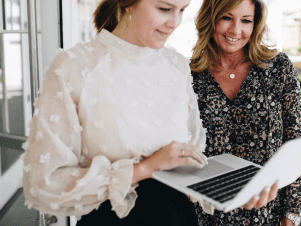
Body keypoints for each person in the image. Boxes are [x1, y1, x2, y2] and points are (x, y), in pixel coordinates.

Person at [22, 0, 210, 225]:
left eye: (182, 10)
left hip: (179, 217)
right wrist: (145, 168)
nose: (175, 23)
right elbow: (45, 182)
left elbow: (192, 148)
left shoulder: (177, 65)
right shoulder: (74, 66)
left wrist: (230, 191)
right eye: (165, 9)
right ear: (128, 4)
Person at [190, 0, 301, 225]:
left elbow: (296, 145)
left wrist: (292, 213)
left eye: (246, 21)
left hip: (268, 215)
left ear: (256, 25)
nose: (236, 30)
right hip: (205, 216)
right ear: (210, 18)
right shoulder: (190, 75)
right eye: (226, 17)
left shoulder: (278, 68)